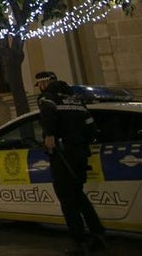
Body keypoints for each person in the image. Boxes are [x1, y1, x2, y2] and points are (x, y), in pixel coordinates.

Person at [36, 71, 106, 254]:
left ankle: (79, 240)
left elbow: (47, 117)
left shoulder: (47, 98)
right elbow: (92, 127)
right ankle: (98, 232)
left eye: (39, 84)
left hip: (62, 153)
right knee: (78, 194)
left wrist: (50, 136)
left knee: (67, 198)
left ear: (45, 83)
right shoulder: (74, 99)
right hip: (80, 153)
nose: (39, 88)